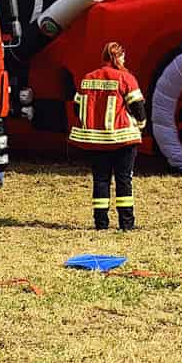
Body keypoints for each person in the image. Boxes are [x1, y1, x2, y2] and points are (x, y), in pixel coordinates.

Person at [69, 41, 145, 230]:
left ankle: (101, 223)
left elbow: (77, 106)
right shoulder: (125, 78)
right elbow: (138, 107)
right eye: (123, 56)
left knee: (100, 180)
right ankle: (126, 224)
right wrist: (141, 125)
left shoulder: (88, 78)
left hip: (95, 141)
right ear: (118, 57)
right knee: (123, 179)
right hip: (122, 139)